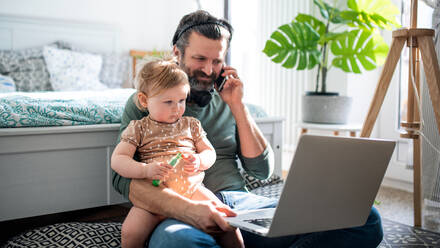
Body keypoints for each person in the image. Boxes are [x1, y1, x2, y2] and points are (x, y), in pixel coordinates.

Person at [112, 10, 384, 247]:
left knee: (364, 217)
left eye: (217, 61)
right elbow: (122, 179)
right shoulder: (148, 103)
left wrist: (238, 106)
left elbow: (261, 170)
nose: (209, 70)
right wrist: (189, 210)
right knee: (180, 242)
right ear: (177, 53)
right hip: (177, 208)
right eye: (199, 59)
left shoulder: (228, 99)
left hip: (239, 206)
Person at [111, 59, 244, 248]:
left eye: (181, 100)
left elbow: (209, 152)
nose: (177, 108)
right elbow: (118, 160)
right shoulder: (138, 128)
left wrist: (199, 161)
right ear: (143, 100)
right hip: (155, 197)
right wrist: (145, 170)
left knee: (227, 222)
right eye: (168, 102)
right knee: (130, 232)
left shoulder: (190, 124)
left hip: (192, 190)